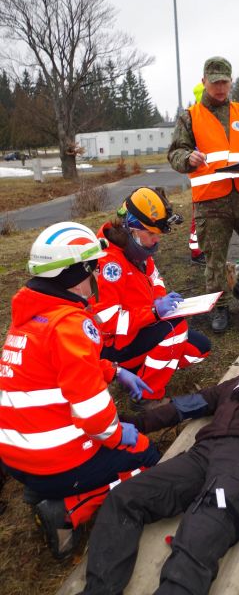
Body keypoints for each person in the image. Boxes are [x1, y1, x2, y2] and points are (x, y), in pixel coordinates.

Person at [0, 222, 160, 559]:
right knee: (147, 458)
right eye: (93, 268)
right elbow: (93, 413)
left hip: (15, 455)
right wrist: (118, 435)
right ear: (77, 273)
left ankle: (43, 487)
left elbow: (62, 367)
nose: (97, 276)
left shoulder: (30, 317)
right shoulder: (71, 325)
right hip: (52, 458)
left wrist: (114, 370)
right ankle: (68, 508)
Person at [76, 376, 239, 595]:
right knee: (124, 497)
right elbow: (188, 404)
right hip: (203, 452)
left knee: (204, 528)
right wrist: (136, 423)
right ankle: (100, 590)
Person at [168, 56, 239, 333]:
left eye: (224, 82)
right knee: (214, 260)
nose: (220, 88)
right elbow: (175, 152)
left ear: (231, 82)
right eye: (214, 82)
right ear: (204, 82)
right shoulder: (190, 116)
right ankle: (220, 305)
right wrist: (187, 158)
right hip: (211, 201)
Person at [94, 187, 211, 403]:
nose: (156, 240)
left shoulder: (136, 248)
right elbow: (107, 323)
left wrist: (159, 298)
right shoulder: (109, 264)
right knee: (176, 330)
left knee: (199, 349)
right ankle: (147, 396)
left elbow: (155, 278)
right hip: (114, 345)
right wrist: (154, 312)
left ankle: (139, 371)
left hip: (142, 328)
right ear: (131, 228)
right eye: (151, 234)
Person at [190, 82, 207, 265]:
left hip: (206, 177)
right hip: (202, 177)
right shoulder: (196, 118)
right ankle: (196, 252)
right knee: (199, 217)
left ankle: (200, 249)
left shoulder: (198, 116)